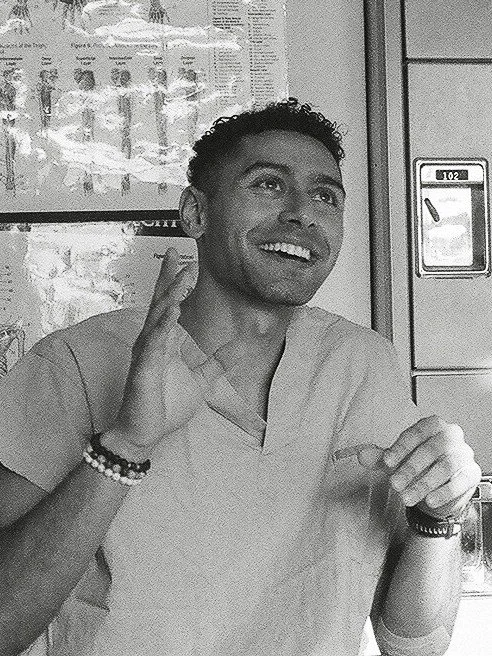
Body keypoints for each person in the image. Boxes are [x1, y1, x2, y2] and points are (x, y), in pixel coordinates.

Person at [0, 99, 481, 656]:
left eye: (326, 197)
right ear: (196, 213)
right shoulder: (74, 363)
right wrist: (125, 445)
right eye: (269, 185)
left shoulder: (363, 367)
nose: (302, 215)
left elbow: (415, 644)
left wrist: (438, 518)